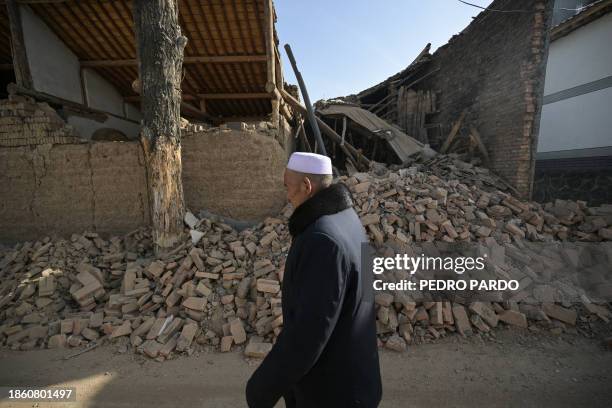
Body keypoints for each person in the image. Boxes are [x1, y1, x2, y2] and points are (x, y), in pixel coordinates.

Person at [246, 152, 382, 407]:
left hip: (335, 392)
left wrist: (260, 390)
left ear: (306, 186)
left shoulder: (323, 240)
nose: (286, 196)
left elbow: (309, 334)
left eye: (288, 187)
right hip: (356, 377)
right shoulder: (348, 220)